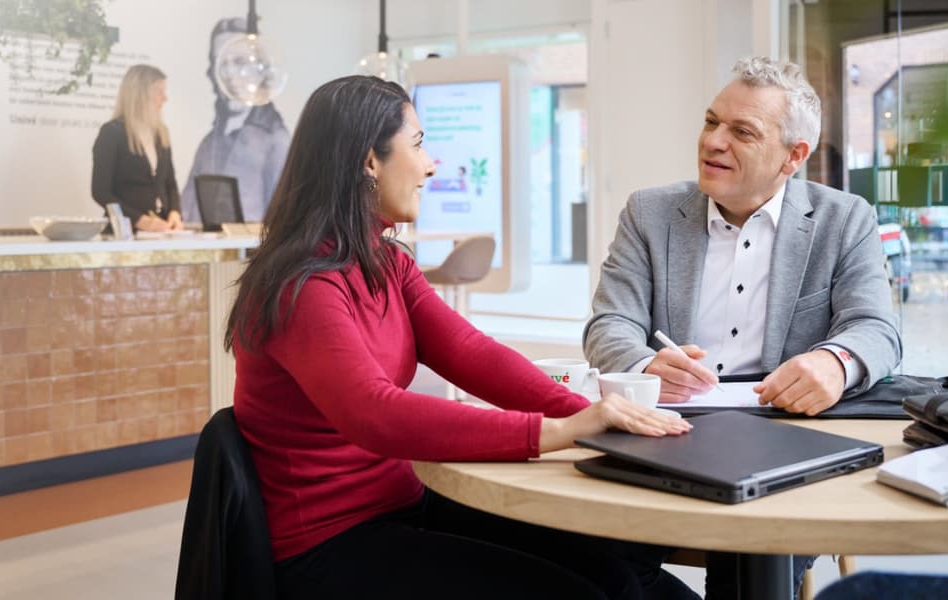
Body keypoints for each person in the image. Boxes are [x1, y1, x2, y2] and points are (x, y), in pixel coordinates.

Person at [226, 75, 697, 600]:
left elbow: (472, 354)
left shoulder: (385, 262)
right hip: (330, 543)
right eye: (419, 145)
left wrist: (597, 420)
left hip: (402, 506)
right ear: (368, 161)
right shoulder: (305, 284)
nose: (431, 165)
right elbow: (374, 413)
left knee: (616, 568)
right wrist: (560, 430)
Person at [583, 56, 901, 597]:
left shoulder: (844, 218)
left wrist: (835, 362)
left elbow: (876, 328)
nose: (713, 141)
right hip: (667, 430)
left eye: (742, 131)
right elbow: (608, 324)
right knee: (594, 551)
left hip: (786, 437)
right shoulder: (650, 212)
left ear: (793, 156)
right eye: (711, 122)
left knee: (749, 557)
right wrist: (643, 365)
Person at [179, 17, 292, 224]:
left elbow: (285, 217)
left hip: (253, 251)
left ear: (261, 70)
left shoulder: (275, 140)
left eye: (240, 62)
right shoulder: (208, 143)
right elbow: (185, 210)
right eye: (222, 63)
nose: (231, 74)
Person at [91, 64, 182, 232]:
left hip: (161, 231)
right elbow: (100, 191)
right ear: (140, 93)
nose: (165, 98)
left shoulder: (161, 134)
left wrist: (175, 213)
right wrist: (139, 220)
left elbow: (170, 183)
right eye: (158, 91)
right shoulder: (112, 132)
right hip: (124, 231)